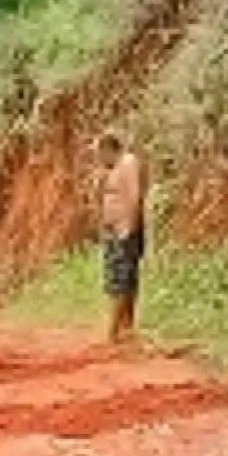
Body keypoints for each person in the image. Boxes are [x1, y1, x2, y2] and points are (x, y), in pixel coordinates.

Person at [96, 129, 149, 343]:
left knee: (121, 278)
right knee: (117, 278)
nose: (98, 159)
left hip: (124, 230)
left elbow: (135, 195)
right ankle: (125, 328)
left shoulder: (128, 162)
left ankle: (113, 331)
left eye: (99, 153)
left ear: (108, 149)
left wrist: (129, 225)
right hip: (114, 230)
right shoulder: (113, 168)